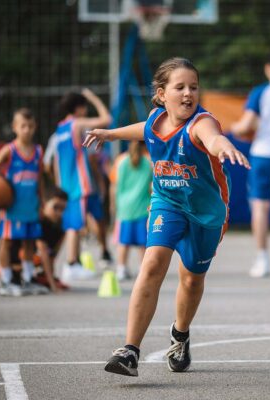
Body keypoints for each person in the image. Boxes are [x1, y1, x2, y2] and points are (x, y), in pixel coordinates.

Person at [83, 57, 250, 377]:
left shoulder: (202, 123)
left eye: (194, 87)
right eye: (180, 87)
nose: (189, 93)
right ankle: (130, 350)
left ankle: (180, 333)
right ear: (161, 94)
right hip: (167, 203)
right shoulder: (154, 119)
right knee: (152, 263)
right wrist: (111, 134)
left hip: (207, 213)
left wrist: (223, 146)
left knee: (191, 278)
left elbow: (213, 137)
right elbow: (143, 130)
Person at [231, 49, 270, 278]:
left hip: (264, 152)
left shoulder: (261, 92)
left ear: (269, 68)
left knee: (260, 205)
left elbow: (246, 125)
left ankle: (263, 259)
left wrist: (235, 128)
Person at [0, 108, 45, 297]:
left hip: (31, 205)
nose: (27, 130)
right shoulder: (9, 150)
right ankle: (6, 280)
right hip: (12, 208)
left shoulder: (38, 151)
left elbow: (39, 179)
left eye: (30, 126)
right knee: (6, 242)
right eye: (23, 126)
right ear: (15, 127)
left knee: (29, 243)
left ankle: (29, 278)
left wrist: (42, 201)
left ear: (35, 127)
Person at [50, 89, 112, 282]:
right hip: (79, 183)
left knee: (75, 223)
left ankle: (74, 262)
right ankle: (71, 264)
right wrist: (94, 97)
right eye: (84, 105)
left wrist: (58, 184)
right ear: (79, 107)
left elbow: (53, 162)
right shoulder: (76, 124)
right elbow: (106, 120)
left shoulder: (59, 130)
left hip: (66, 184)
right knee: (74, 225)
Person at [109, 140, 152, 281]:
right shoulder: (149, 163)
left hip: (124, 207)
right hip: (142, 206)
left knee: (123, 242)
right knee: (143, 242)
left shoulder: (120, 161)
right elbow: (151, 187)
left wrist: (113, 205)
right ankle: (143, 269)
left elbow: (114, 185)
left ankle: (121, 268)